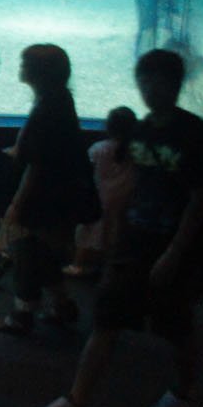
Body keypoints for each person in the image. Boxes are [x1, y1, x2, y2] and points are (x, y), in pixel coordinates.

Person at [33, 50, 203, 407]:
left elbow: (201, 198)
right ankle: (77, 401)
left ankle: (187, 393)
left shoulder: (195, 134)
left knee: (175, 326)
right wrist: (116, 238)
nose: (150, 89)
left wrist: (176, 252)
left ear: (176, 84)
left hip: (173, 247)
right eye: (144, 81)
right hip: (133, 242)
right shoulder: (141, 130)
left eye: (158, 81)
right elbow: (135, 187)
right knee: (107, 317)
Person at [0, 44, 98, 335]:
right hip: (57, 197)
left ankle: (21, 316)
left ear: (39, 72)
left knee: (25, 253)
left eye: (25, 63)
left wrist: (17, 203)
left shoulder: (48, 107)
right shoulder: (59, 100)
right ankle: (63, 307)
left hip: (41, 199)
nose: (20, 67)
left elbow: (39, 164)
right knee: (44, 254)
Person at [64, 106, 137, 279]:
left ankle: (78, 264)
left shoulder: (99, 148)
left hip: (99, 197)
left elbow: (85, 169)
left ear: (109, 127)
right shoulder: (135, 151)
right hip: (124, 197)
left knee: (88, 231)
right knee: (115, 232)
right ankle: (108, 267)